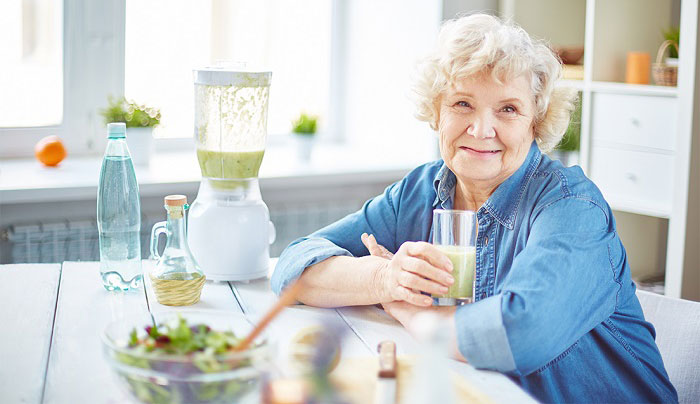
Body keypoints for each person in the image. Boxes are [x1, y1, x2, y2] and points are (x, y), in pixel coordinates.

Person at [271, 13, 677, 404]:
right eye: (463, 103)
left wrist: (416, 316)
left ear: (536, 120)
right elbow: (295, 267)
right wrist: (385, 278)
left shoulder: (571, 207)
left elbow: (521, 334)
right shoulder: (421, 190)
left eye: (508, 109)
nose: (482, 130)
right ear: (436, 113)